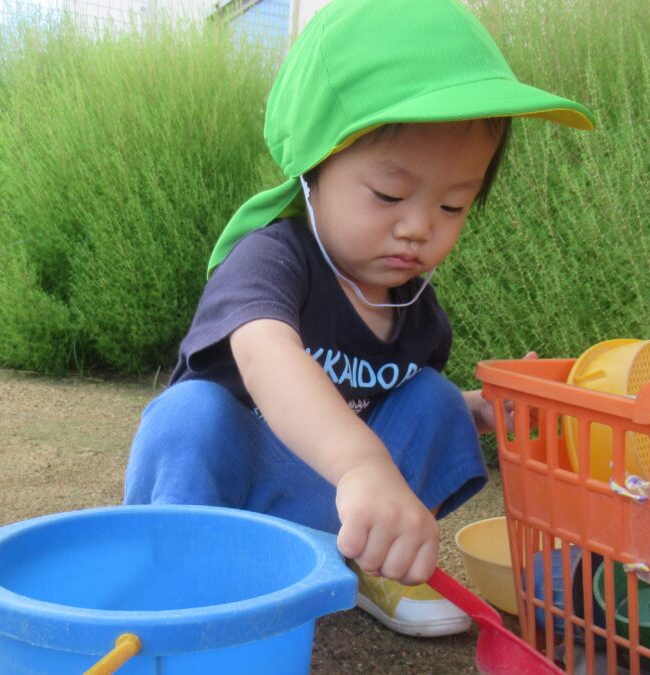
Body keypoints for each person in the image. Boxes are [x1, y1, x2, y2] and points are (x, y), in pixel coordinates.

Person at [125, 0, 594, 637]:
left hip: (336, 508)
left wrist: (477, 410)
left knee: (432, 399)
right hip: (234, 497)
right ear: (314, 169)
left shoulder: (414, 309)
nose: (418, 226)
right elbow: (266, 355)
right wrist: (361, 467)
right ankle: (175, 582)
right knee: (189, 414)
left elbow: (378, 402)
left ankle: (364, 566)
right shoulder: (270, 258)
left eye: (454, 206)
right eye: (389, 194)